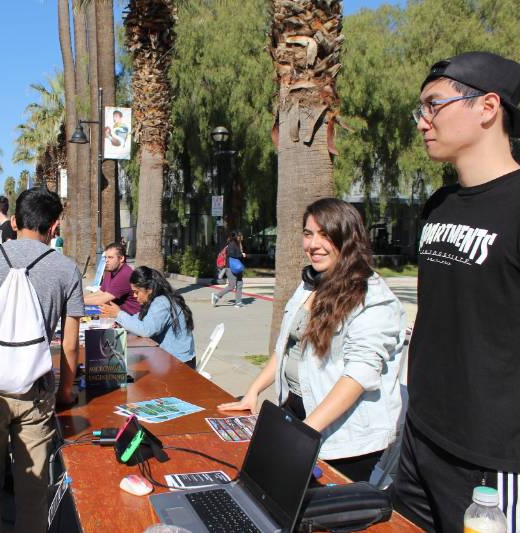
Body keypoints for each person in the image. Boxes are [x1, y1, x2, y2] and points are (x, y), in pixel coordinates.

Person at [390, 52, 520, 531]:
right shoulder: (439, 206)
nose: (423, 121)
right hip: (420, 437)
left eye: (434, 105)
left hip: (492, 458)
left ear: (487, 107)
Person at [219, 198, 405, 483]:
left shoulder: (373, 298)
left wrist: (303, 436)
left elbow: (359, 375)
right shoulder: (309, 283)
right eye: (308, 234)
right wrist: (253, 392)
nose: (313, 244)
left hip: (342, 440)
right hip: (296, 417)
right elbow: (286, 347)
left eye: (325, 235)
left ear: (348, 238)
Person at [0, 186, 83, 533]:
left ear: (14, 221)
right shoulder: (66, 269)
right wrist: (65, 392)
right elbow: (70, 345)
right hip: (35, 393)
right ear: (54, 226)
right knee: (33, 492)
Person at [100, 266, 196, 367]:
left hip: (179, 363)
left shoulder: (162, 302)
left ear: (149, 289)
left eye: (136, 292)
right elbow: (139, 318)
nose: (134, 296)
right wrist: (119, 322)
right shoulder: (155, 300)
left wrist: (119, 314)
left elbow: (146, 330)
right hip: (165, 358)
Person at [83, 242, 141, 315]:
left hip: (130, 318)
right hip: (115, 315)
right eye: (105, 257)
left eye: (110, 257)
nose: (106, 260)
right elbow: (101, 292)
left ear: (121, 258)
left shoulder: (125, 274)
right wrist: (79, 298)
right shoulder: (111, 271)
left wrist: (75, 301)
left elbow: (100, 300)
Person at [211, 231, 246, 308]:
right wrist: (241, 254)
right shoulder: (232, 244)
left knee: (239, 283)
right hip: (230, 267)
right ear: (237, 237)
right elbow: (231, 254)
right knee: (232, 285)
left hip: (237, 267)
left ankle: (238, 302)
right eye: (240, 236)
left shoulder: (238, 244)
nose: (241, 237)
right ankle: (216, 296)